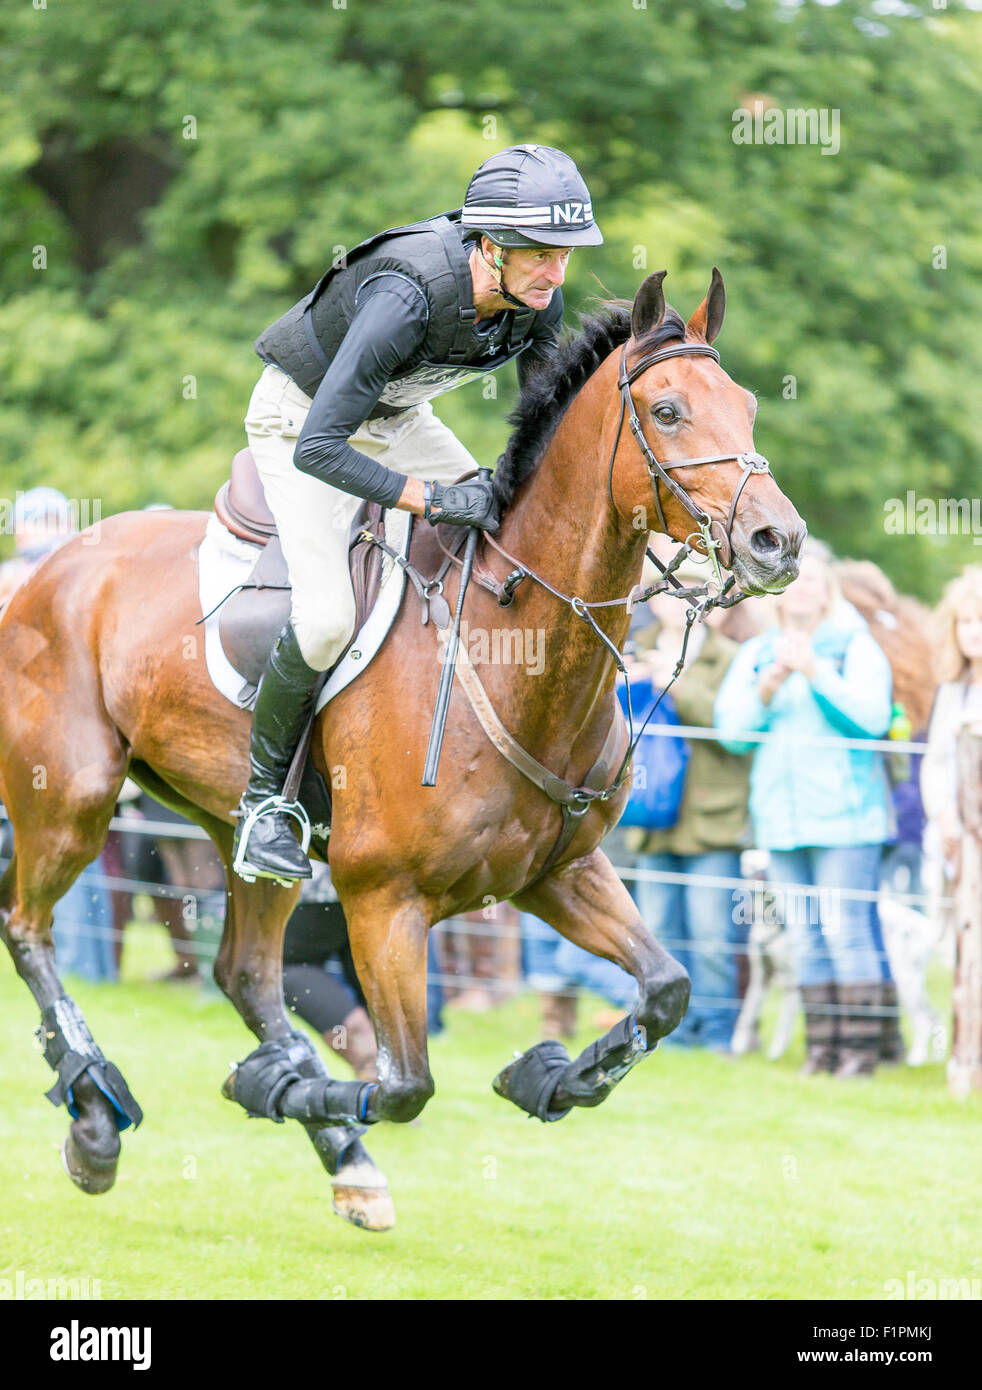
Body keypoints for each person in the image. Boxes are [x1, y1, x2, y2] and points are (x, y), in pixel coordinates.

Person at [232, 144, 603, 883]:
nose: (555, 274)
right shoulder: (409, 292)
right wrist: (432, 499)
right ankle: (262, 808)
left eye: (564, 255)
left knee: (507, 529)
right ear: (488, 247)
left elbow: (543, 431)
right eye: (539, 255)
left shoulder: (537, 298)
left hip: (398, 414)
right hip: (301, 420)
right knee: (327, 617)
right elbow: (319, 448)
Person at [715, 540, 895, 1078]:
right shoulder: (756, 653)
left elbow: (873, 720)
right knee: (805, 936)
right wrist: (767, 688)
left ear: (828, 592)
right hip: (781, 820)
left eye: (813, 581)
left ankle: (860, 1055)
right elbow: (732, 734)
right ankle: (822, 1050)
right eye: (793, 581)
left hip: (847, 820)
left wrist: (817, 674)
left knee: (847, 933)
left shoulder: (854, 647)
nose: (802, 590)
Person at [625, 561, 752, 1051]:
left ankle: (717, 1033)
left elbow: (729, 726)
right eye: (670, 590)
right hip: (651, 817)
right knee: (657, 935)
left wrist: (671, 680)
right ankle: (668, 1032)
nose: (679, 601)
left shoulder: (731, 657)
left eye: (693, 591)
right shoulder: (633, 645)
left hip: (710, 817)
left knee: (713, 937)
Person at [920, 567, 982, 1095]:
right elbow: (935, 763)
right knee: (968, 952)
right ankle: (966, 1060)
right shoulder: (953, 690)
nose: (972, 633)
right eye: (965, 622)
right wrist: (943, 815)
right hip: (963, 841)